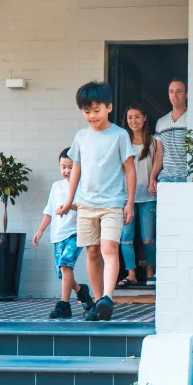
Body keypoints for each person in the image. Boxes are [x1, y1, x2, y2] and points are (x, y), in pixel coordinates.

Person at [57, 82, 136, 322]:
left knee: (108, 248)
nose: (92, 116)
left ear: (109, 107)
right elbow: (76, 171)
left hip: (112, 203)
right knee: (91, 252)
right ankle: (98, 302)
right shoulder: (81, 137)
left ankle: (108, 298)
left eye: (96, 110)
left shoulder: (120, 135)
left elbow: (130, 170)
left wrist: (130, 203)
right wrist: (69, 201)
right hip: (86, 205)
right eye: (86, 111)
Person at [33, 148, 93, 319]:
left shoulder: (83, 185)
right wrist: (40, 231)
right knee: (62, 272)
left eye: (71, 167)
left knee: (66, 264)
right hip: (58, 235)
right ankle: (82, 291)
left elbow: (86, 207)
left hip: (76, 232)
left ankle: (64, 304)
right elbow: (49, 211)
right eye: (63, 167)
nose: (66, 171)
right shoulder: (56, 186)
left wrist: (69, 207)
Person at [118, 103, 162, 288]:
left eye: (137, 116)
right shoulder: (122, 141)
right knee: (126, 238)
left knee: (148, 238)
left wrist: (154, 179)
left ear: (144, 118)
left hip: (148, 196)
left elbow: (158, 162)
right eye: (130, 117)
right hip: (126, 197)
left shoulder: (154, 141)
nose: (133, 121)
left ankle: (151, 273)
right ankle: (132, 274)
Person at [154, 77, 189, 185]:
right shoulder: (161, 122)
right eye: (171, 91)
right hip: (166, 178)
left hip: (188, 178)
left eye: (179, 91)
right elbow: (159, 153)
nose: (174, 95)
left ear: (186, 94)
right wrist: (152, 178)